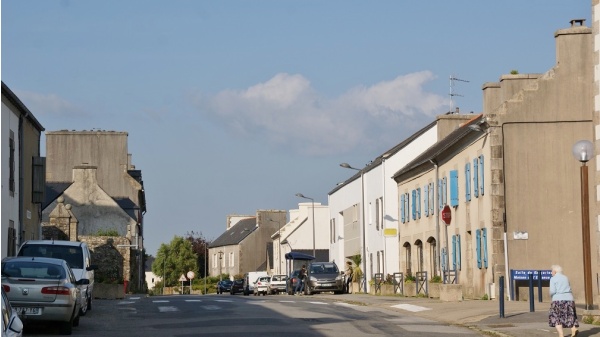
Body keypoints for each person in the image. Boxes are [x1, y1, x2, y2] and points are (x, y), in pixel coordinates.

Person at [548, 265, 579, 337]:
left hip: (558, 300)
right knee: (570, 315)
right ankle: (574, 329)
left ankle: (561, 335)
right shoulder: (566, 278)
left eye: (551, 271)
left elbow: (552, 291)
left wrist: (551, 296)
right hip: (569, 299)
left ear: (555, 271)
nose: (551, 273)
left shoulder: (553, 279)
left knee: (556, 317)